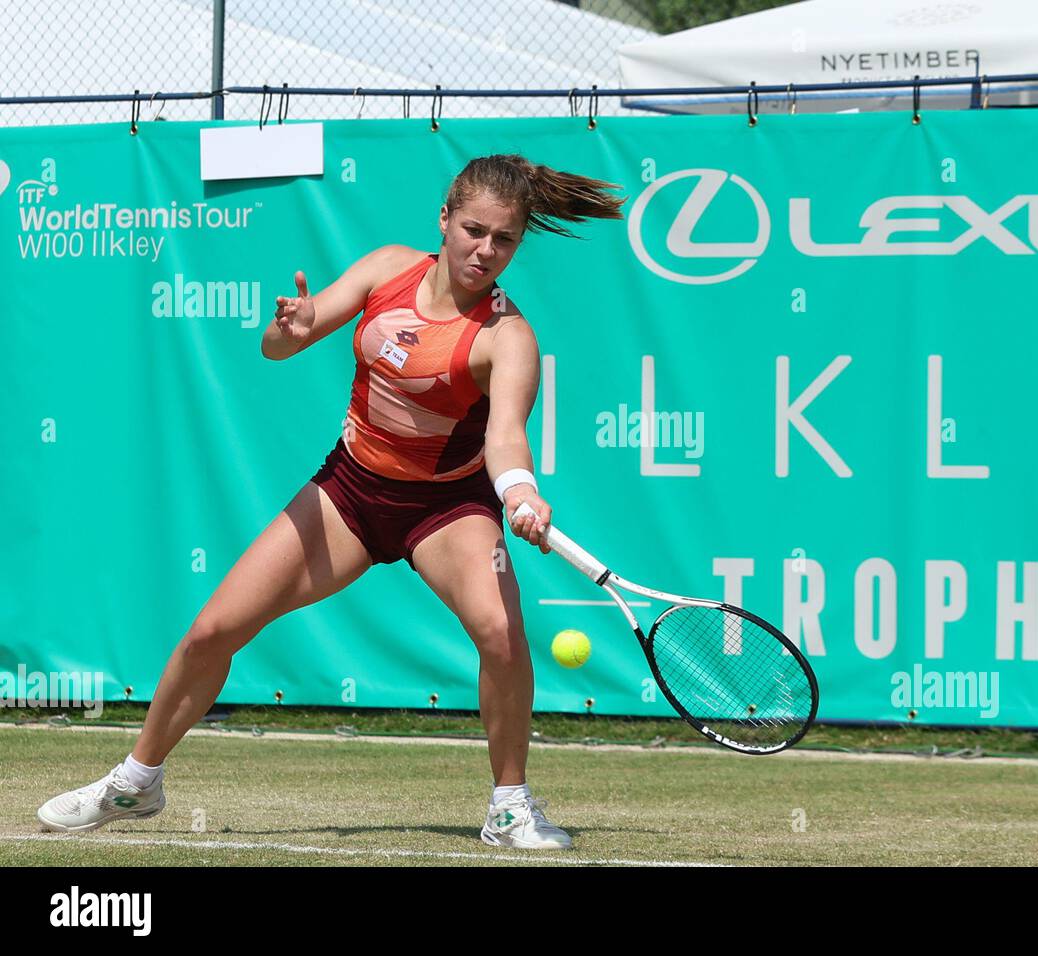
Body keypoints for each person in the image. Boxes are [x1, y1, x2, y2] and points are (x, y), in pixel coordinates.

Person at [36, 153, 627, 851]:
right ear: (444, 219)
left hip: (447, 508)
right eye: (474, 230)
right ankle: (135, 783)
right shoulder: (387, 270)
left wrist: (521, 494)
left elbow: (505, 441)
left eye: (504, 239)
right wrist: (291, 328)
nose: (486, 250)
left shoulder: (508, 337)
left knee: (501, 634)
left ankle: (508, 806)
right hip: (349, 490)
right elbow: (277, 348)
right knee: (211, 632)